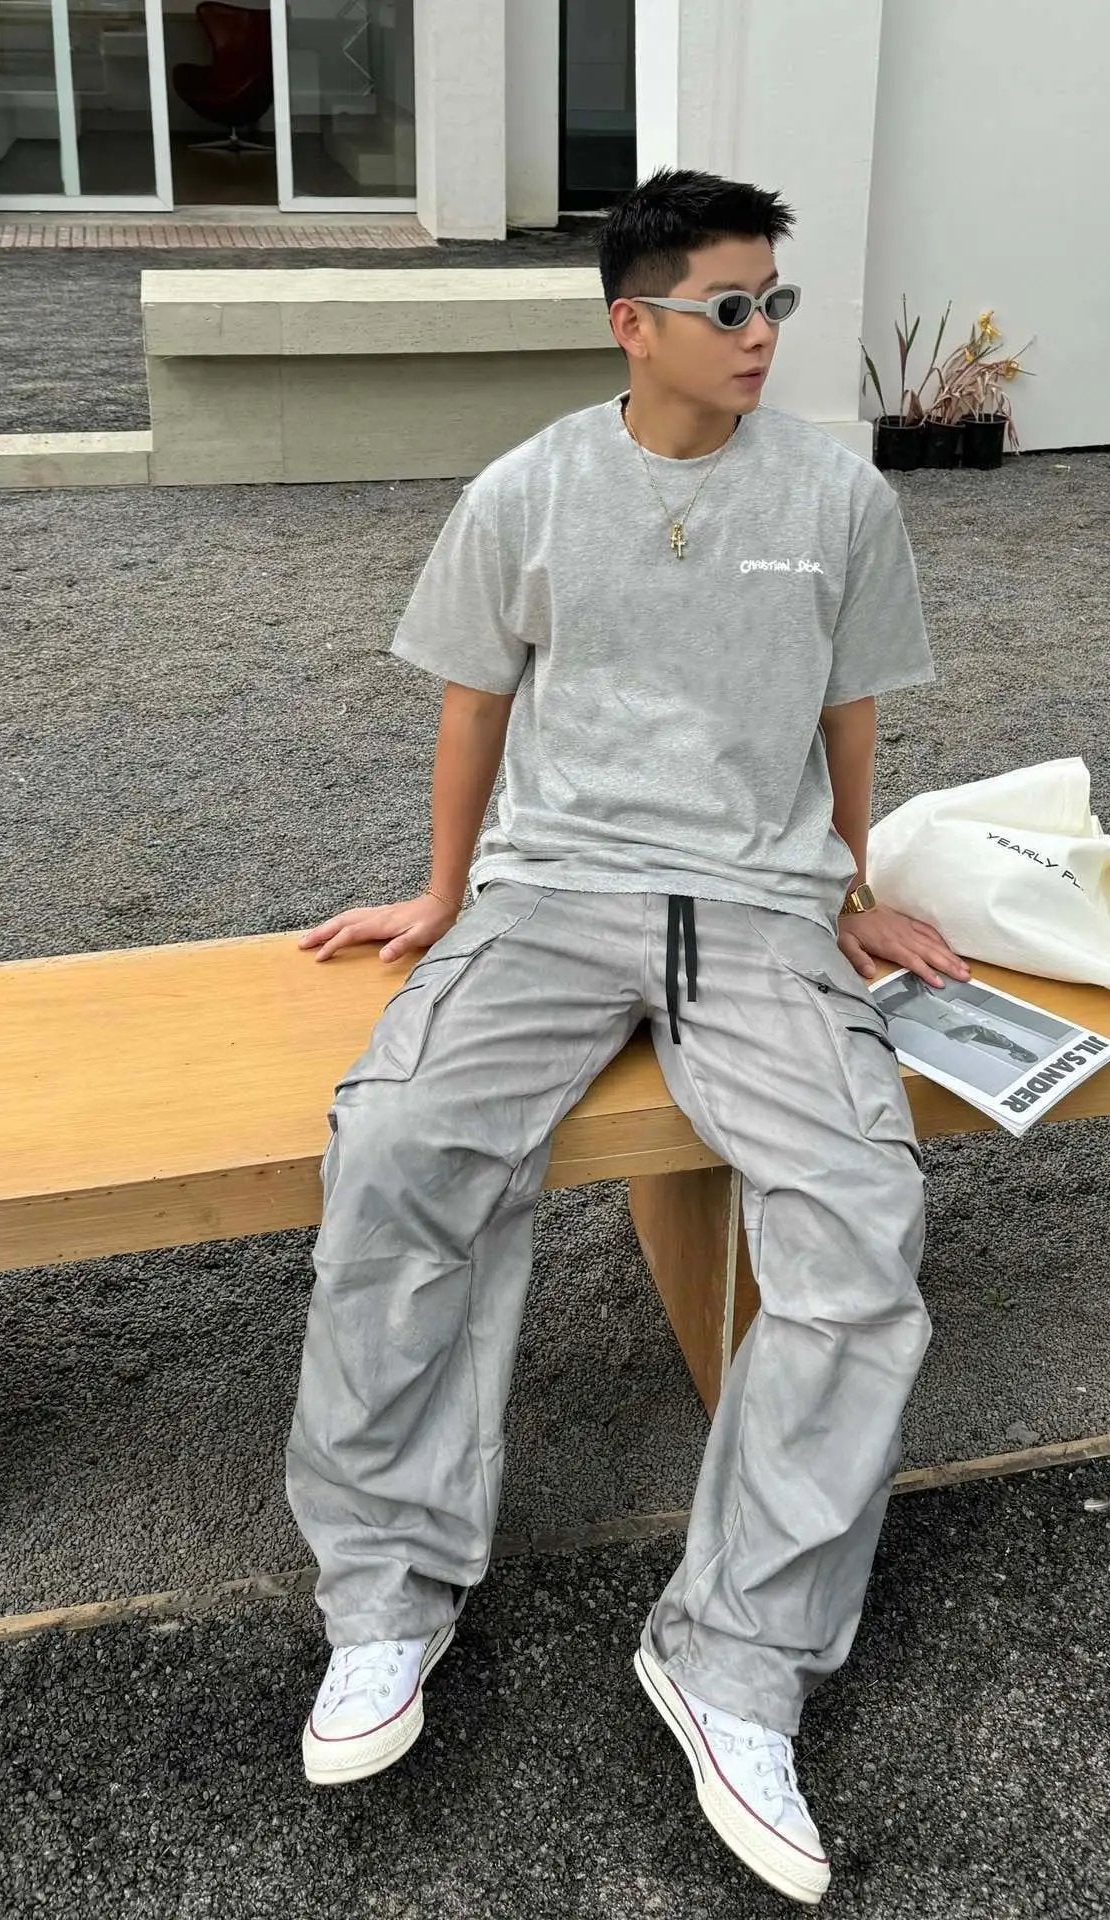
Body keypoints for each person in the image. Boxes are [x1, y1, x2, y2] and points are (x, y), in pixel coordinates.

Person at [284, 165, 968, 1908]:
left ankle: (739, 1662)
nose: (761, 336)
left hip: (755, 908)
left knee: (863, 1218)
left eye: (773, 303)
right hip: (552, 894)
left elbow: (847, 707)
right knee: (401, 1148)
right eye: (728, 307)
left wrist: (850, 883)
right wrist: (442, 894)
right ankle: (386, 1593)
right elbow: (476, 702)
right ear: (632, 324)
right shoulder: (528, 489)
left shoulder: (839, 495)